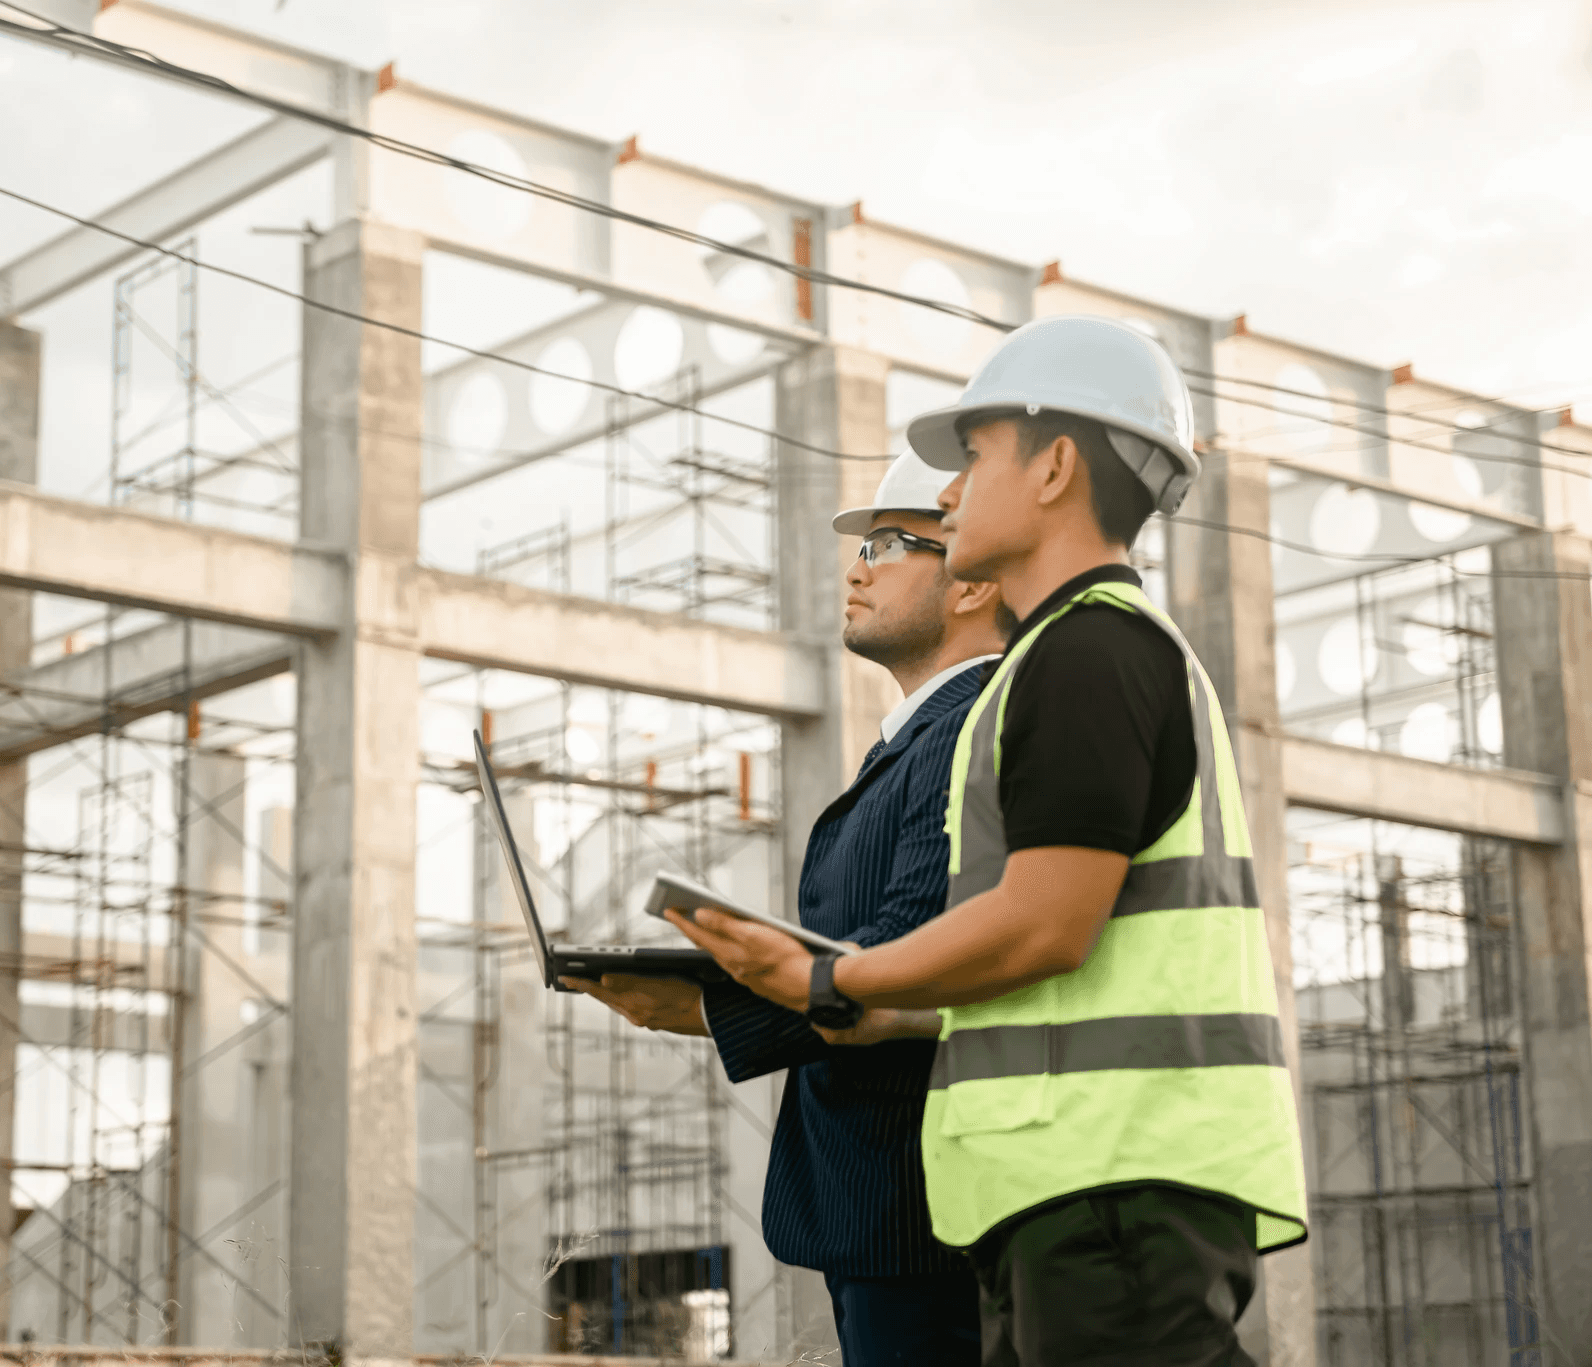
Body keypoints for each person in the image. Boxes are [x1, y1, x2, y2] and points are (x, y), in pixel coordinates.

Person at [667, 316, 1310, 1367]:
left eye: (972, 456)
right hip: (1076, 1185)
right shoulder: (1066, 657)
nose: (952, 489)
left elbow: (1043, 924)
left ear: (1054, 465)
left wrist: (834, 977)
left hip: (1113, 1179)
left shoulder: (1090, 650)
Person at [564, 450, 1013, 1366]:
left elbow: (911, 954)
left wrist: (705, 1003)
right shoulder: (916, 737)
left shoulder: (968, 727)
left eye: (889, 543)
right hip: (880, 1203)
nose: (856, 567)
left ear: (971, 583)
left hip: (921, 1211)